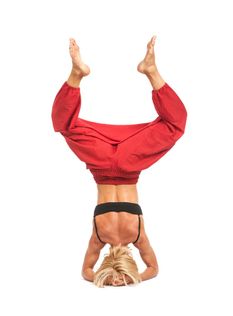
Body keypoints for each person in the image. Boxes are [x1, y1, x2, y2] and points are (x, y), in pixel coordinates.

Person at [51, 36, 187, 287]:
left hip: (118, 163)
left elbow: (151, 269)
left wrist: (124, 278)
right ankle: (148, 71)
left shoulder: (123, 238)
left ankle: (82, 74)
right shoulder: (108, 239)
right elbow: (88, 272)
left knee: (175, 125)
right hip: (115, 164)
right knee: (64, 125)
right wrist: (122, 279)